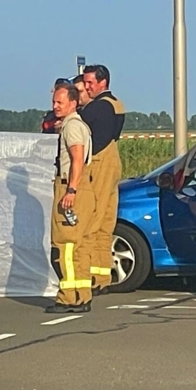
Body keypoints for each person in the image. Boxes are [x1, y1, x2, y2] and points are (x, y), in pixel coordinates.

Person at [47, 82, 95, 314]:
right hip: (83, 187)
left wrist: (71, 190)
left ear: (73, 103)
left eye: (60, 102)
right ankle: (83, 295)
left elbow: (77, 158)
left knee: (65, 245)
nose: (55, 106)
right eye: (54, 102)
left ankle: (68, 297)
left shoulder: (72, 127)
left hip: (71, 185)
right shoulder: (78, 125)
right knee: (81, 245)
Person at [79, 64, 125, 294]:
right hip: (112, 161)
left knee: (92, 221)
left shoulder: (97, 108)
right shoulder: (116, 104)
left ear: (102, 82)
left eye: (90, 83)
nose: (87, 87)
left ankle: (89, 276)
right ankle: (102, 275)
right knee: (106, 222)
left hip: (98, 163)